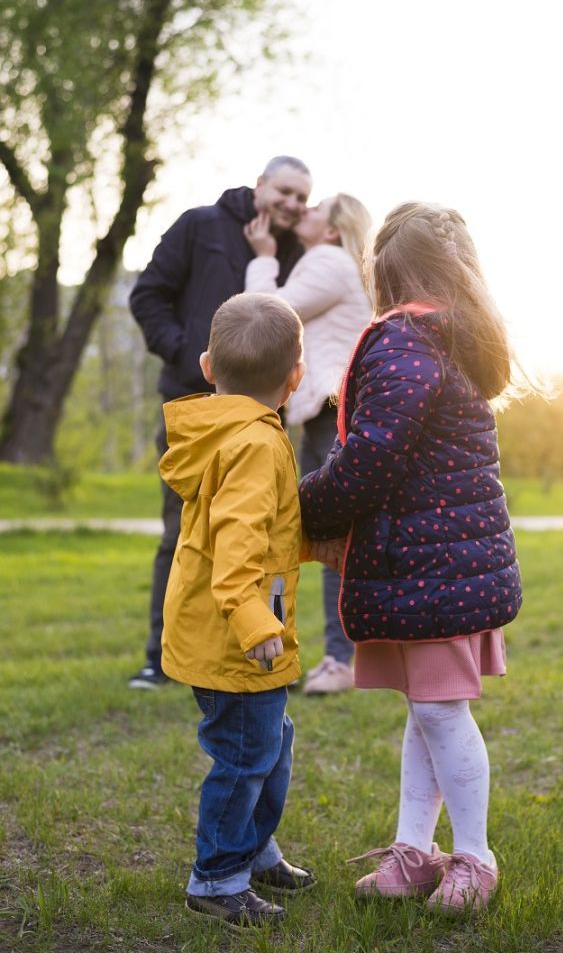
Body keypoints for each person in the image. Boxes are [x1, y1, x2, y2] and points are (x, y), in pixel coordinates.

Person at [299, 202, 524, 914]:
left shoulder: (403, 340)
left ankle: (475, 858)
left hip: (434, 568)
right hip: (434, 565)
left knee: (441, 714)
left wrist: (303, 506)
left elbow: (369, 457)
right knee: (427, 713)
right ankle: (414, 851)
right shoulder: (449, 340)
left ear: (388, 275)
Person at [159, 291, 315, 928]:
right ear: (296, 378)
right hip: (237, 636)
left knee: (270, 745)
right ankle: (218, 878)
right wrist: (254, 622)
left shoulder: (231, 432)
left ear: (206, 365)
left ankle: (254, 848)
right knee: (247, 756)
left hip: (226, 627)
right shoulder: (252, 443)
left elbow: (265, 527)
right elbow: (238, 545)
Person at [128, 156, 312, 688]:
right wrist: (189, 355)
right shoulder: (200, 224)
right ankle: (161, 656)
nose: (292, 204)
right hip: (197, 408)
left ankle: (265, 648)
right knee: (184, 532)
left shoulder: (293, 249)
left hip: (263, 415)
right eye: (284, 191)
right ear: (260, 186)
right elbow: (147, 296)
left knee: (259, 530)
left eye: (302, 197)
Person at [244, 193, 372, 694]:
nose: (306, 212)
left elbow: (266, 314)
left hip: (328, 410)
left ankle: (341, 662)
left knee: (326, 537)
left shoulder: (327, 259)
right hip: (331, 409)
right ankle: (349, 657)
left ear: (333, 229)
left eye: (316, 207)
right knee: (336, 537)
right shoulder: (340, 263)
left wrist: (263, 257)